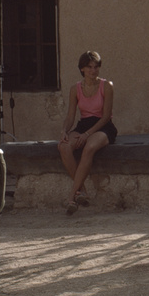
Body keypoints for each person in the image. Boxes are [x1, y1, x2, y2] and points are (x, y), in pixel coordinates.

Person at [58, 51, 117, 215]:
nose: (93, 70)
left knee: (89, 147)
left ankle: (71, 197)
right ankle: (82, 191)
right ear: (82, 69)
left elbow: (106, 116)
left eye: (96, 67)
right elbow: (70, 116)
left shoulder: (106, 86)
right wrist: (64, 131)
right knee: (63, 146)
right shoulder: (75, 89)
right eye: (89, 67)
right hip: (83, 125)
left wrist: (87, 134)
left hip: (102, 126)